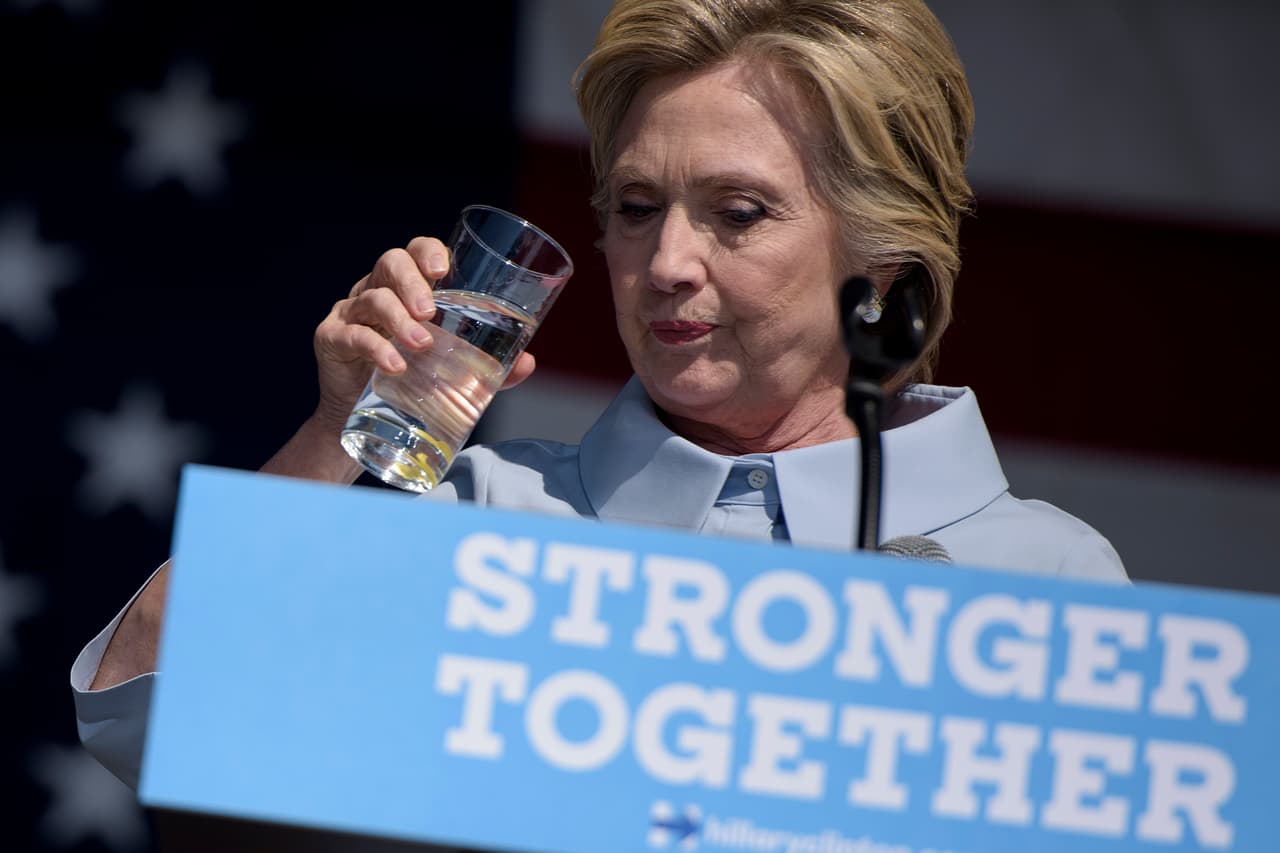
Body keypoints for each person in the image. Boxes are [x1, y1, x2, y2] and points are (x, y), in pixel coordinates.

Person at [72, 0, 1126, 789]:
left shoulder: (1051, 577)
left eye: (737, 211)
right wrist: (330, 434)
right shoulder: (477, 519)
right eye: (634, 205)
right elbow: (145, 715)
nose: (664, 260)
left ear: (884, 260)